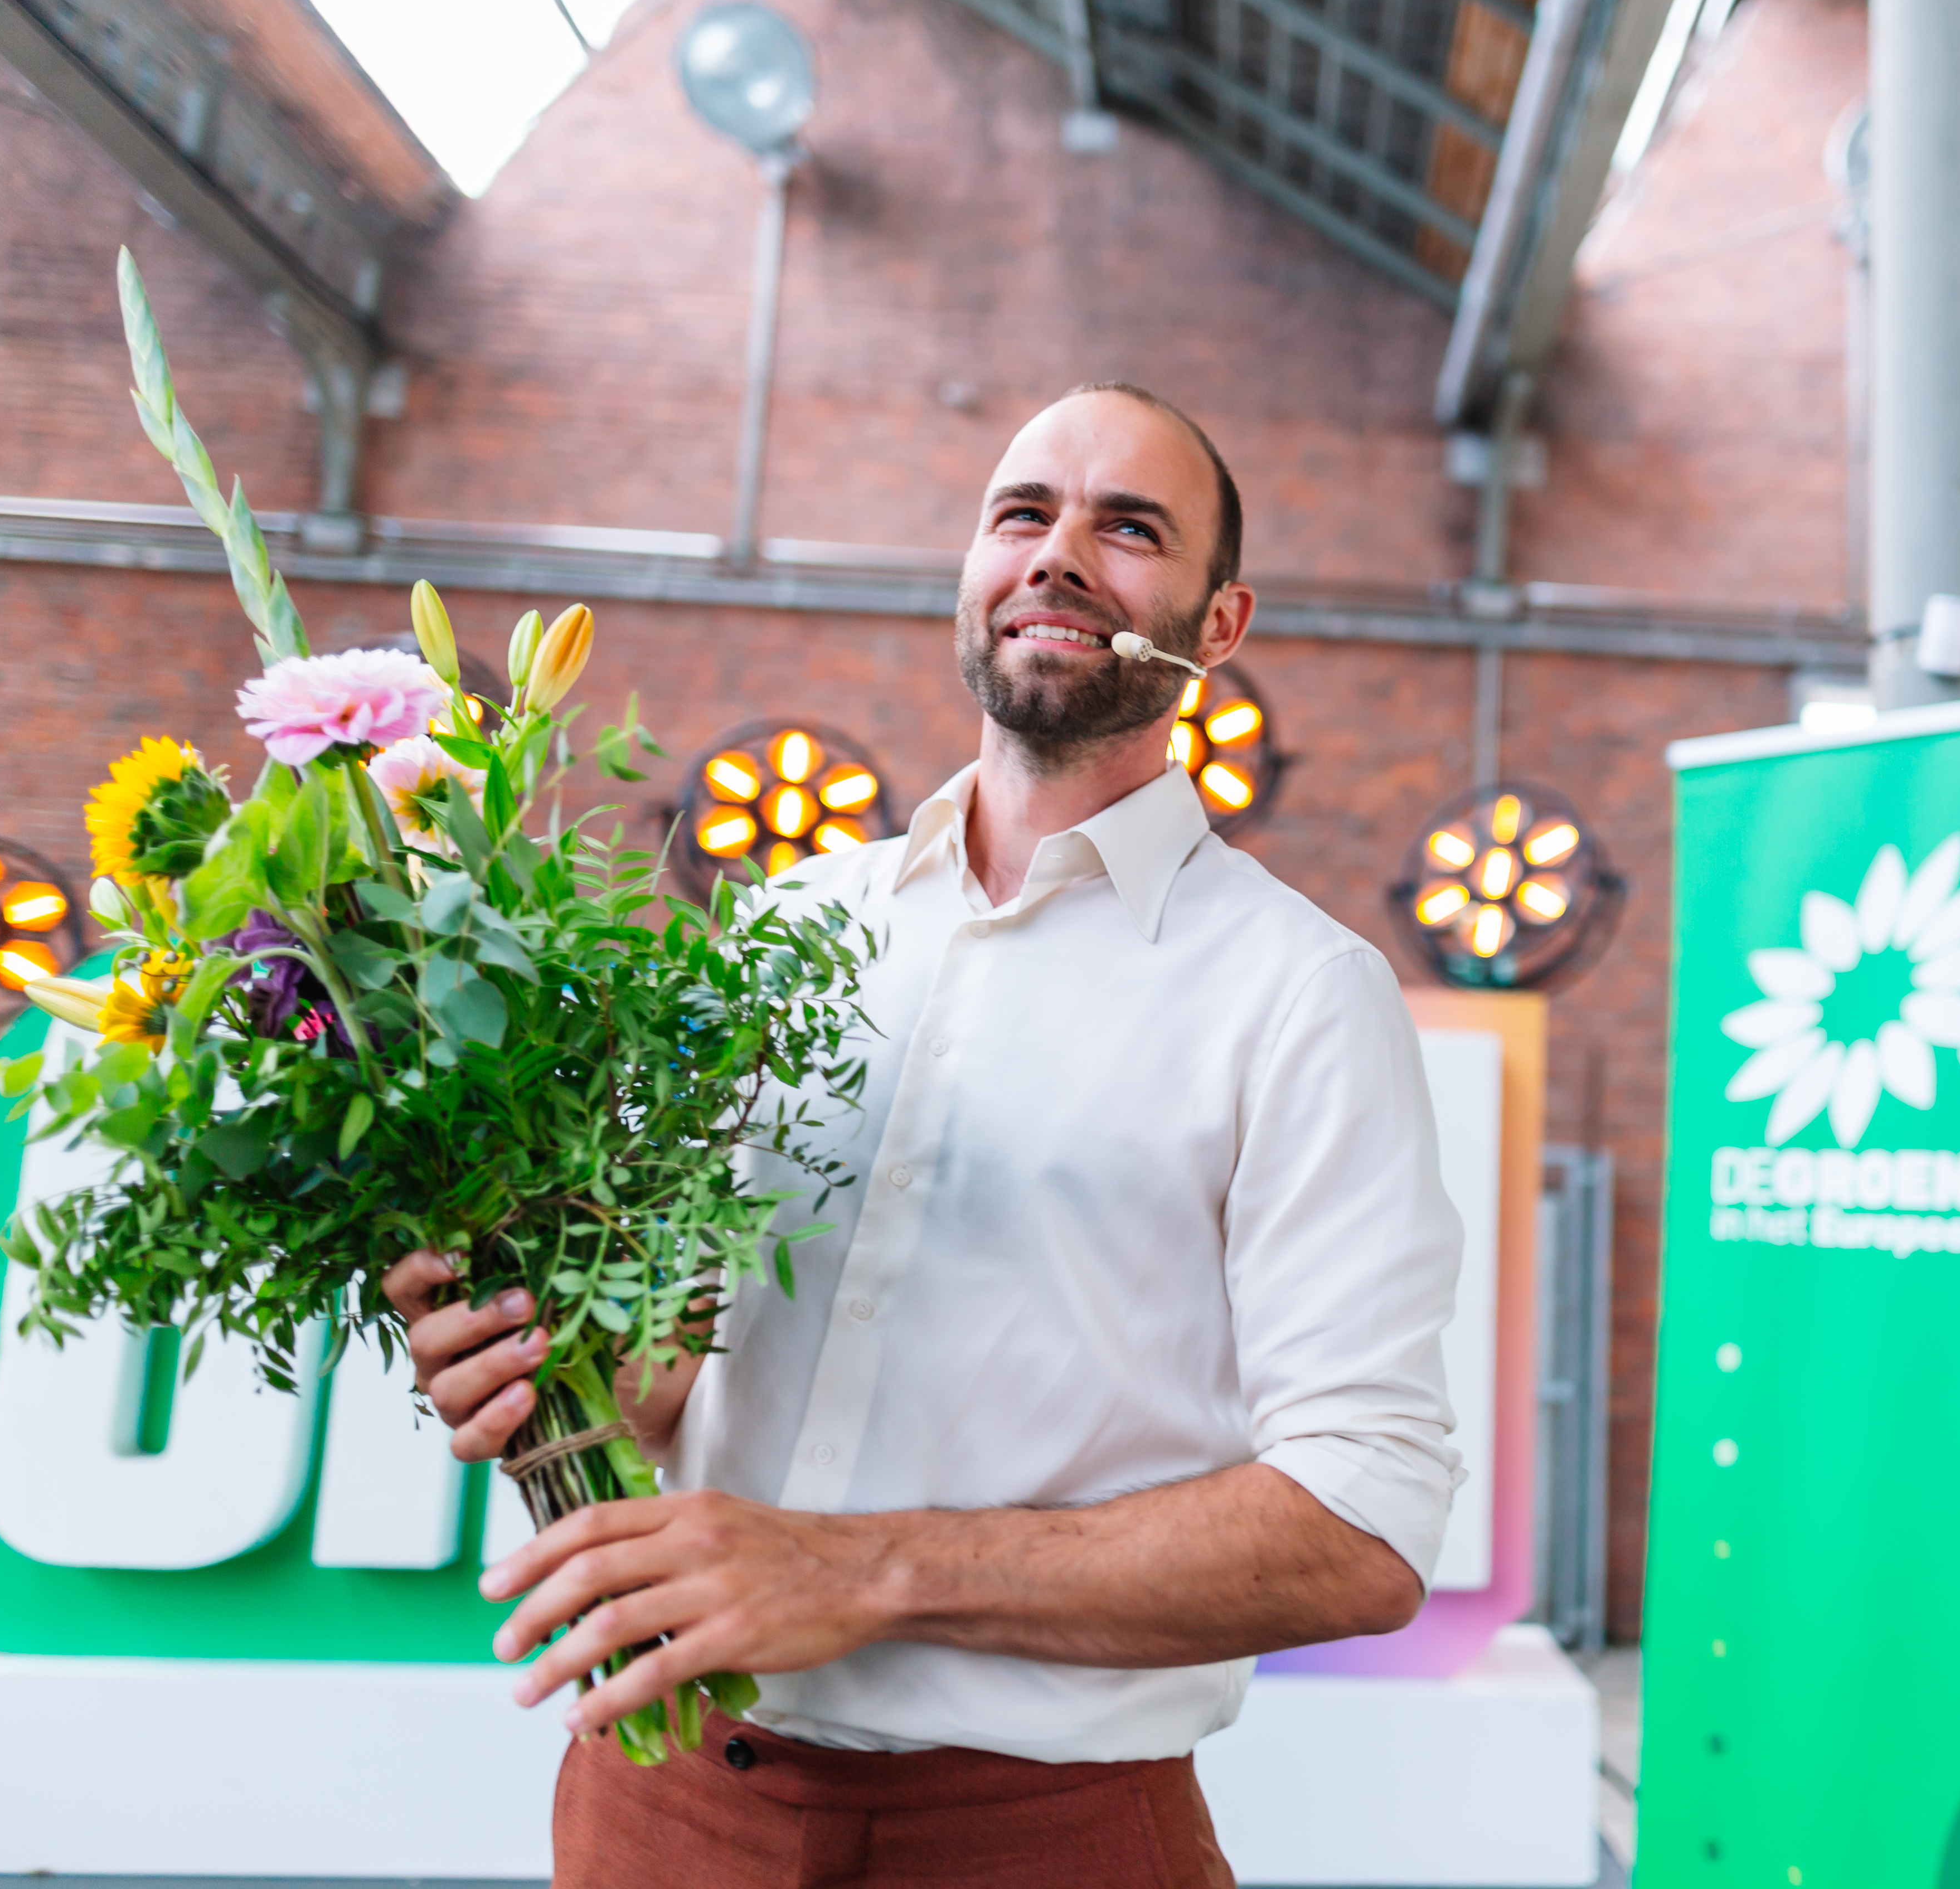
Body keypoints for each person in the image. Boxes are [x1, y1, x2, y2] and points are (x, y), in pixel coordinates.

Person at [386, 383, 1465, 1888]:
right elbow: (662, 1367)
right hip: (662, 1796)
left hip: (1040, 1835)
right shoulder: (776, 933)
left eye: (1129, 529)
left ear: (1219, 626)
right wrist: (544, 1375)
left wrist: (867, 1570)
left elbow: (1364, 1525)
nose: (1059, 554)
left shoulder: (1301, 994)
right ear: (969, 575)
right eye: (1021, 514)